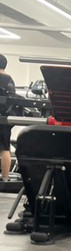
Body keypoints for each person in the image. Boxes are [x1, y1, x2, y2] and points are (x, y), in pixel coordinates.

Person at [0, 54, 16, 182]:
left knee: (4, 149)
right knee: (4, 148)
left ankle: (5, 178)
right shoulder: (9, 80)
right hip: (6, 119)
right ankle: (5, 178)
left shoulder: (3, 79)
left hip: (2, 118)